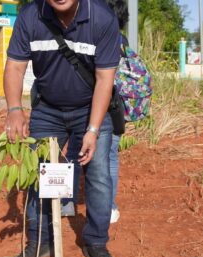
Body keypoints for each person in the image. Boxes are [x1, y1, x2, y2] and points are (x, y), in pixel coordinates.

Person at [4, 0, 120, 257]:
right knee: (40, 174)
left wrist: (92, 130)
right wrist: (14, 109)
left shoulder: (102, 18)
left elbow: (105, 79)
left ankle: (96, 242)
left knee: (99, 175)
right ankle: (41, 240)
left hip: (90, 109)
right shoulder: (31, 16)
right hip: (47, 109)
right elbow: (15, 66)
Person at [62, 0, 129, 223]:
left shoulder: (89, 32)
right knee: (109, 158)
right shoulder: (122, 41)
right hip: (112, 107)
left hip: (86, 106)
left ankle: (66, 202)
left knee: (72, 152)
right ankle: (108, 207)